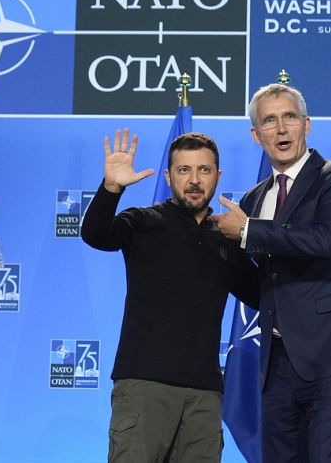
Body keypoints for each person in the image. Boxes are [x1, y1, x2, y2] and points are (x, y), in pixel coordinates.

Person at [210, 84, 331, 462]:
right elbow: (261, 287)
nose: (281, 128)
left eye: (289, 117)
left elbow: (324, 240)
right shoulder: (253, 200)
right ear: (257, 135)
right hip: (277, 364)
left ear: (307, 124)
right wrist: (215, 247)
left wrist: (247, 231)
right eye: (269, 121)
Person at [81, 129, 258, 463]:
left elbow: (262, 294)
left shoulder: (227, 239)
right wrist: (111, 189)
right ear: (168, 176)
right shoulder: (144, 222)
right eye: (183, 170)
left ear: (218, 176)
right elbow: (95, 234)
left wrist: (256, 237)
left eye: (204, 170)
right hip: (144, 386)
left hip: (205, 394)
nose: (194, 180)